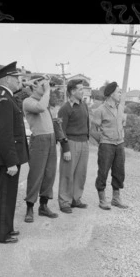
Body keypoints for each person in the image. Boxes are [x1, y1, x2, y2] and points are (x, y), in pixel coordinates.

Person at [0, 61, 29, 244]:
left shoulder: (5, 97)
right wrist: (11, 161)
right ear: (8, 79)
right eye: (17, 78)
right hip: (3, 159)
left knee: (8, 195)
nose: (19, 81)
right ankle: (0, 235)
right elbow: (4, 134)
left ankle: (6, 228)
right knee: (2, 196)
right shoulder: (2, 99)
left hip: (5, 157)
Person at [22, 75, 58, 223]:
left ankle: (43, 206)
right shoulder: (28, 101)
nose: (45, 87)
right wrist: (47, 90)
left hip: (51, 139)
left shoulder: (45, 100)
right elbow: (41, 108)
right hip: (39, 140)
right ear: (34, 86)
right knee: (36, 175)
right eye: (42, 85)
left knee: (49, 174)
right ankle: (29, 208)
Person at [93, 81, 129, 210]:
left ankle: (116, 198)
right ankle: (102, 199)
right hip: (106, 145)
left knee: (119, 171)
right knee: (103, 172)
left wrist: (120, 138)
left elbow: (122, 124)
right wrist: (103, 141)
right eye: (119, 92)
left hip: (119, 144)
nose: (120, 94)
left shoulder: (121, 108)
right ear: (111, 94)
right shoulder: (100, 110)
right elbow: (93, 129)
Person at [58, 79, 90, 214]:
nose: (83, 91)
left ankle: (76, 199)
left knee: (80, 173)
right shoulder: (65, 109)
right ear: (72, 91)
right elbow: (60, 130)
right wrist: (65, 148)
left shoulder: (84, 105)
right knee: (67, 173)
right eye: (81, 89)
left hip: (84, 143)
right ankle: (65, 201)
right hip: (71, 143)